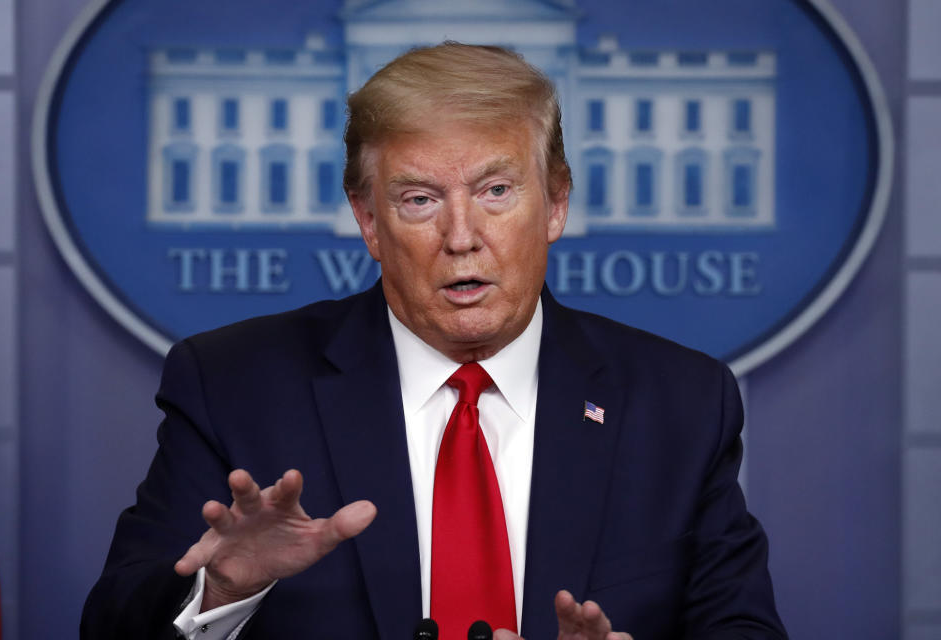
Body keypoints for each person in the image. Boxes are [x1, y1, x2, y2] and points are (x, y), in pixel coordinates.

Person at [82, 43, 786, 639]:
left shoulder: (679, 401)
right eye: (419, 199)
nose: (461, 237)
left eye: (497, 191)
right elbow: (109, 625)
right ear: (368, 221)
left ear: (557, 203)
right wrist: (220, 591)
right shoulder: (234, 385)